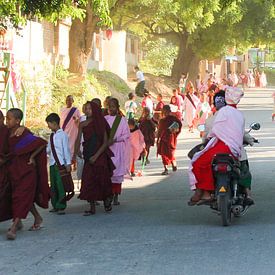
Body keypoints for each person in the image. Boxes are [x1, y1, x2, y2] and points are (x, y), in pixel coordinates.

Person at [188, 89, 244, 205]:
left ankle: (203, 192)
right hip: (235, 150)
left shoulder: (223, 112)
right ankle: (205, 192)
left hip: (222, 146)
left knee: (197, 162)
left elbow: (216, 129)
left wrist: (211, 137)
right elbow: (241, 133)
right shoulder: (239, 114)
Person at [5, 108, 50, 240]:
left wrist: (32, 157)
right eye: (6, 118)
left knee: (22, 197)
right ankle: (37, 218)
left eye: (9, 119)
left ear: (18, 121)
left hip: (27, 172)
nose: (7, 121)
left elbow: (42, 143)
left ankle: (13, 228)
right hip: (14, 171)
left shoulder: (23, 133)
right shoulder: (8, 133)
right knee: (23, 198)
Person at [74, 102, 114, 215]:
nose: (87, 111)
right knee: (88, 180)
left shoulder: (101, 122)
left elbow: (105, 142)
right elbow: (78, 139)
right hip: (88, 153)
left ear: (95, 110)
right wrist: (76, 150)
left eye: (89, 109)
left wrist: (96, 156)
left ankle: (107, 200)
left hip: (99, 155)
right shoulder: (82, 124)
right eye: (85, 109)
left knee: (103, 179)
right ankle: (92, 207)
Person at [105, 98, 131, 205]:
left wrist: (116, 139)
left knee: (117, 173)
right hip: (107, 149)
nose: (111, 109)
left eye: (113, 107)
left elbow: (126, 134)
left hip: (118, 149)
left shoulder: (122, 120)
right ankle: (109, 195)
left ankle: (116, 195)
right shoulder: (105, 119)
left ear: (117, 107)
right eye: (109, 107)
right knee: (108, 173)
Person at [46, 113, 72, 215]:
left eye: (49, 124)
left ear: (54, 123)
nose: (48, 126)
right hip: (52, 164)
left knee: (60, 185)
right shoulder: (51, 136)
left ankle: (61, 205)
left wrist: (68, 163)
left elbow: (66, 150)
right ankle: (55, 204)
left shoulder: (63, 135)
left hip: (60, 164)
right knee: (53, 185)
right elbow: (48, 149)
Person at [157, 105, 182, 175]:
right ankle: (172, 164)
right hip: (170, 138)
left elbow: (159, 131)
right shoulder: (172, 119)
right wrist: (175, 132)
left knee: (164, 153)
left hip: (166, 138)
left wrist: (175, 131)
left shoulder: (164, 120)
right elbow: (179, 125)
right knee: (169, 152)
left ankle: (166, 168)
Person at [60, 95, 81, 161]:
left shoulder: (76, 110)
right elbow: (61, 120)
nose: (68, 101)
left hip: (72, 131)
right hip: (64, 130)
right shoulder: (62, 109)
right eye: (67, 100)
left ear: (73, 101)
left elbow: (79, 120)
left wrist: (76, 119)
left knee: (72, 145)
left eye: (70, 100)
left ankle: (72, 160)